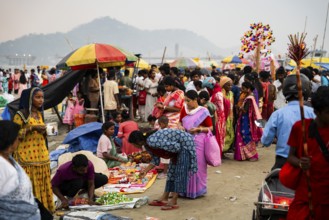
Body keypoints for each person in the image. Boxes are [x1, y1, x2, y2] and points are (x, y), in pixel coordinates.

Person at [285, 86, 329, 219]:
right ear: (317, 111)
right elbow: (290, 156)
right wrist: (299, 162)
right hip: (306, 196)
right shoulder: (301, 128)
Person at [128, 129, 197, 210]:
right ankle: (164, 198)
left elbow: (176, 147)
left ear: (138, 142)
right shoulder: (148, 144)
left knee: (179, 172)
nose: (134, 146)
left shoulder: (151, 141)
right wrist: (145, 171)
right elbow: (155, 159)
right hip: (178, 148)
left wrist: (172, 156)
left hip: (184, 145)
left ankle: (174, 201)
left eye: (133, 144)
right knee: (171, 172)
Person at [13, 87, 55, 212]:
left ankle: (44, 211)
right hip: (26, 157)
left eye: (42, 97)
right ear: (30, 99)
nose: (41, 100)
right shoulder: (21, 114)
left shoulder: (39, 114)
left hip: (41, 155)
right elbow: (13, 134)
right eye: (37, 97)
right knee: (29, 185)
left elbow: (41, 133)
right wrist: (31, 129)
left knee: (43, 183)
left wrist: (45, 130)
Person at [261, 74, 315, 170]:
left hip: (282, 162)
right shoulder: (313, 113)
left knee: (271, 182)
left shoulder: (277, 114)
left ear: (285, 92)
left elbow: (265, 141)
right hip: (308, 162)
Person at [0, 120, 41, 219]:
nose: (20, 140)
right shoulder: (1, 165)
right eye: (17, 138)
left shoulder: (9, 159)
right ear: (10, 140)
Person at [179, 90, 213, 198]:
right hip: (185, 140)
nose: (187, 103)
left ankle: (198, 190)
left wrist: (199, 129)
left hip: (198, 141)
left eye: (188, 101)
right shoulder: (184, 109)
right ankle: (183, 190)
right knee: (185, 164)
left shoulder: (203, 111)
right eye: (185, 100)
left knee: (198, 165)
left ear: (195, 100)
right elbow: (180, 121)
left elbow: (211, 128)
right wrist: (180, 126)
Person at [234, 82, 262, 161]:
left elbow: (245, 110)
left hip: (246, 119)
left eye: (243, 88)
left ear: (248, 89)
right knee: (244, 135)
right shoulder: (248, 96)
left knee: (246, 135)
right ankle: (246, 155)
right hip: (244, 118)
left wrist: (238, 107)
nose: (242, 90)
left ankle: (252, 155)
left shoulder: (249, 98)